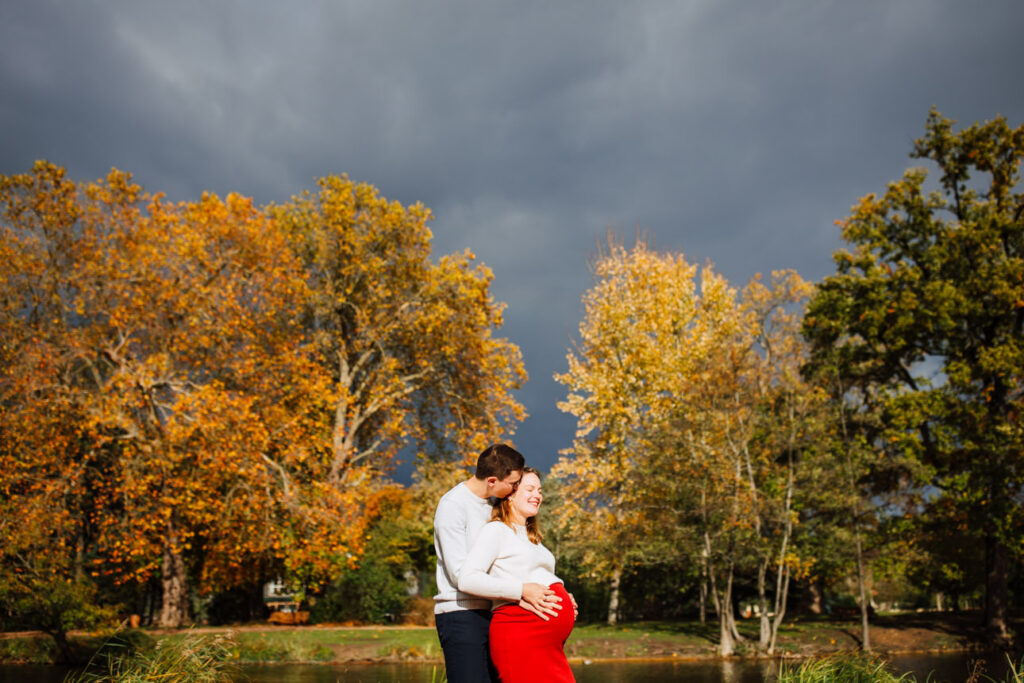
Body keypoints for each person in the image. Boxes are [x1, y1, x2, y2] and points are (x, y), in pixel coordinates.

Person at [433, 444, 563, 683]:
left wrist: (555, 589)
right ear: (492, 480)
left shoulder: (494, 506)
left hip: (493, 613)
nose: (516, 488)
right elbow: (460, 576)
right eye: (513, 484)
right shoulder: (453, 506)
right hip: (462, 614)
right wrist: (521, 590)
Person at [459, 467, 576, 683]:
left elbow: (534, 574)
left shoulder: (533, 538)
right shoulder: (497, 530)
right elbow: (468, 578)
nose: (538, 495)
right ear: (510, 494)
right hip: (520, 635)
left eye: (540, 491)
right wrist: (520, 591)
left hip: (547, 645)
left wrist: (563, 595)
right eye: (530, 489)